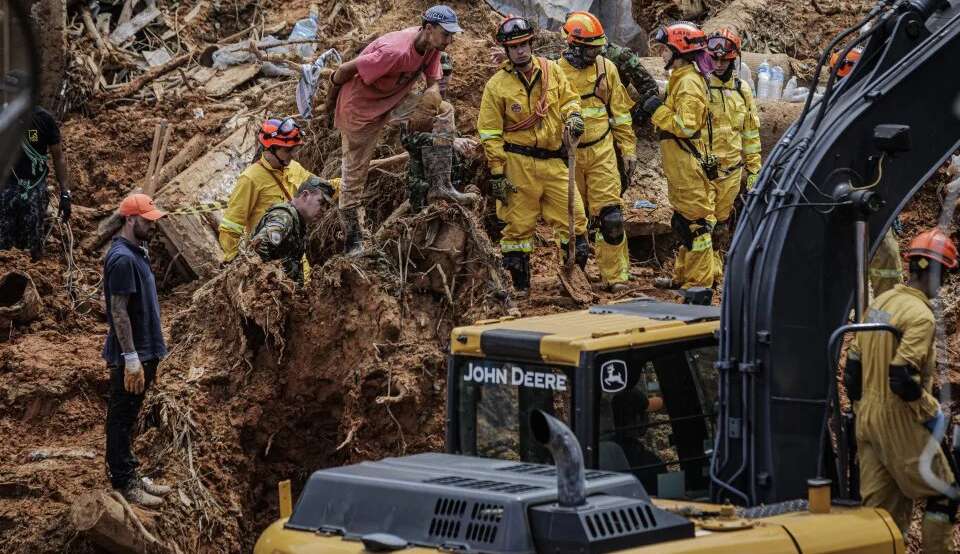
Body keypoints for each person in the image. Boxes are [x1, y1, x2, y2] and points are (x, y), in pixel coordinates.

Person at [847, 228, 959, 554]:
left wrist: (863, 409)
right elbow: (902, 378)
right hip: (897, 415)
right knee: (945, 492)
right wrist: (932, 411)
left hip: (865, 417)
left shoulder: (881, 302)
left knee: (882, 513)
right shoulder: (922, 317)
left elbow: (852, 371)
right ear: (934, 272)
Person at [325, 5, 463, 256]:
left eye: (452, 35)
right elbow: (345, 70)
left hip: (393, 102)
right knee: (354, 176)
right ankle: (353, 242)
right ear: (429, 28)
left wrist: (429, 99)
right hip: (360, 110)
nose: (450, 40)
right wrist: (328, 105)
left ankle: (441, 183)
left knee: (444, 110)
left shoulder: (432, 47)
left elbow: (433, 83)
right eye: (446, 34)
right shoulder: (394, 51)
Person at [477, 16, 588, 297]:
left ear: (531, 44)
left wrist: (574, 117)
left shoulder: (552, 72)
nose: (521, 51)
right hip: (518, 163)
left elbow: (570, 100)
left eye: (525, 44)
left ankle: (574, 278)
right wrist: (497, 172)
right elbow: (489, 132)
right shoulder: (496, 86)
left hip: (554, 160)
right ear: (506, 50)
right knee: (517, 229)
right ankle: (521, 288)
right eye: (514, 47)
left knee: (575, 220)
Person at [634, 22, 717, 299]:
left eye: (663, 50)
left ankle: (699, 285)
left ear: (678, 49)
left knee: (696, 225)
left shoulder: (689, 83)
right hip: (680, 165)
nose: (660, 55)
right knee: (683, 222)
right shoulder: (680, 78)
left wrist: (657, 111)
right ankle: (684, 276)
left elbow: (687, 126)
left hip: (688, 164)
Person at [557, 12, 636, 293]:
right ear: (574, 46)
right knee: (573, 223)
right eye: (590, 48)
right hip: (570, 157)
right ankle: (574, 274)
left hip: (602, 150)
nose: (596, 52)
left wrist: (627, 149)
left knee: (611, 218)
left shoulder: (606, 68)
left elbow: (621, 114)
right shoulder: (555, 72)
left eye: (598, 47)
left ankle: (615, 276)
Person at [102, 193, 172, 507]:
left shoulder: (136, 251)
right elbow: (118, 311)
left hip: (145, 350)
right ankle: (123, 480)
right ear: (131, 219)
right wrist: (130, 358)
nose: (152, 226)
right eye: (147, 221)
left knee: (129, 417)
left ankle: (130, 471)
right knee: (121, 418)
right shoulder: (121, 259)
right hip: (133, 354)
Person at [218, 118, 326, 262]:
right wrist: (238, 261)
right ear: (271, 148)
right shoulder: (250, 178)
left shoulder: (294, 168)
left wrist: (347, 184)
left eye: (294, 149)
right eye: (287, 150)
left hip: (296, 257)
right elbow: (230, 227)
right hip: (268, 263)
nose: (293, 154)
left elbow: (320, 187)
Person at [704, 28, 761, 281]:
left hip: (731, 172)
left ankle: (715, 276)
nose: (717, 64)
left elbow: (750, 134)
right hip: (703, 169)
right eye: (714, 59)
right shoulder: (700, 85)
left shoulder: (742, 89)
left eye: (723, 60)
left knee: (720, 225)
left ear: (733, 59)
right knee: (699, 226)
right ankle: (702, 276)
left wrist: (754, 170)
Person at [0, 103, 71, 260]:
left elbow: (58, 157)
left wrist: (65, 193)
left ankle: (32, 276)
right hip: (6, 188)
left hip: (34, 189)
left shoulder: (44, 119)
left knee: (32, 243)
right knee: (3, 241)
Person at [249, 178, 335, 284]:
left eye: (327, 206)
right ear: (305, 195)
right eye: (321, 202)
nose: (324, 210)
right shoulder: (284, 217)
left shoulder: (299, 223)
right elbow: (257, 248)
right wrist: (273, 281)